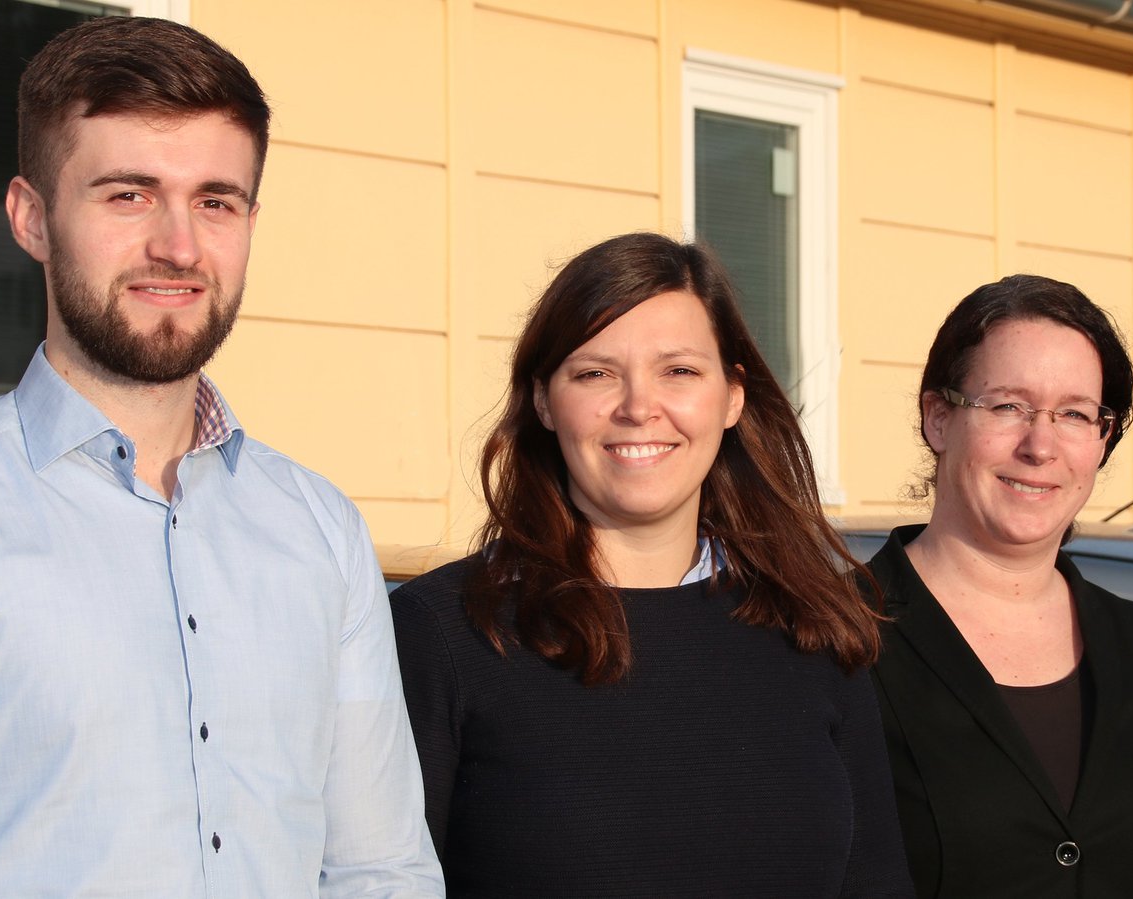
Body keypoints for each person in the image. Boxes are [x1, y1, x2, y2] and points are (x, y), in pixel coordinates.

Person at [0, 16, 442, 897]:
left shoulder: (321, 530)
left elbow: (380, 870)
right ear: (32, 218)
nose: (179, 245)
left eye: (216, 201)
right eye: (129, 195)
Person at [391, 232, 913, 897]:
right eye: (595, 373)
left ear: (733, 396)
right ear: (544, 400)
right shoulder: (444, 632)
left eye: (679, 371)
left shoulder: (813, 627)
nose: (639, 407)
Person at [868, 274, 1133, 897]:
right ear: (938, 418)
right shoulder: (837, 638)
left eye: (1074, 414)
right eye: (1007, 406)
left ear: (1103, 438)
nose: (1041, 446)